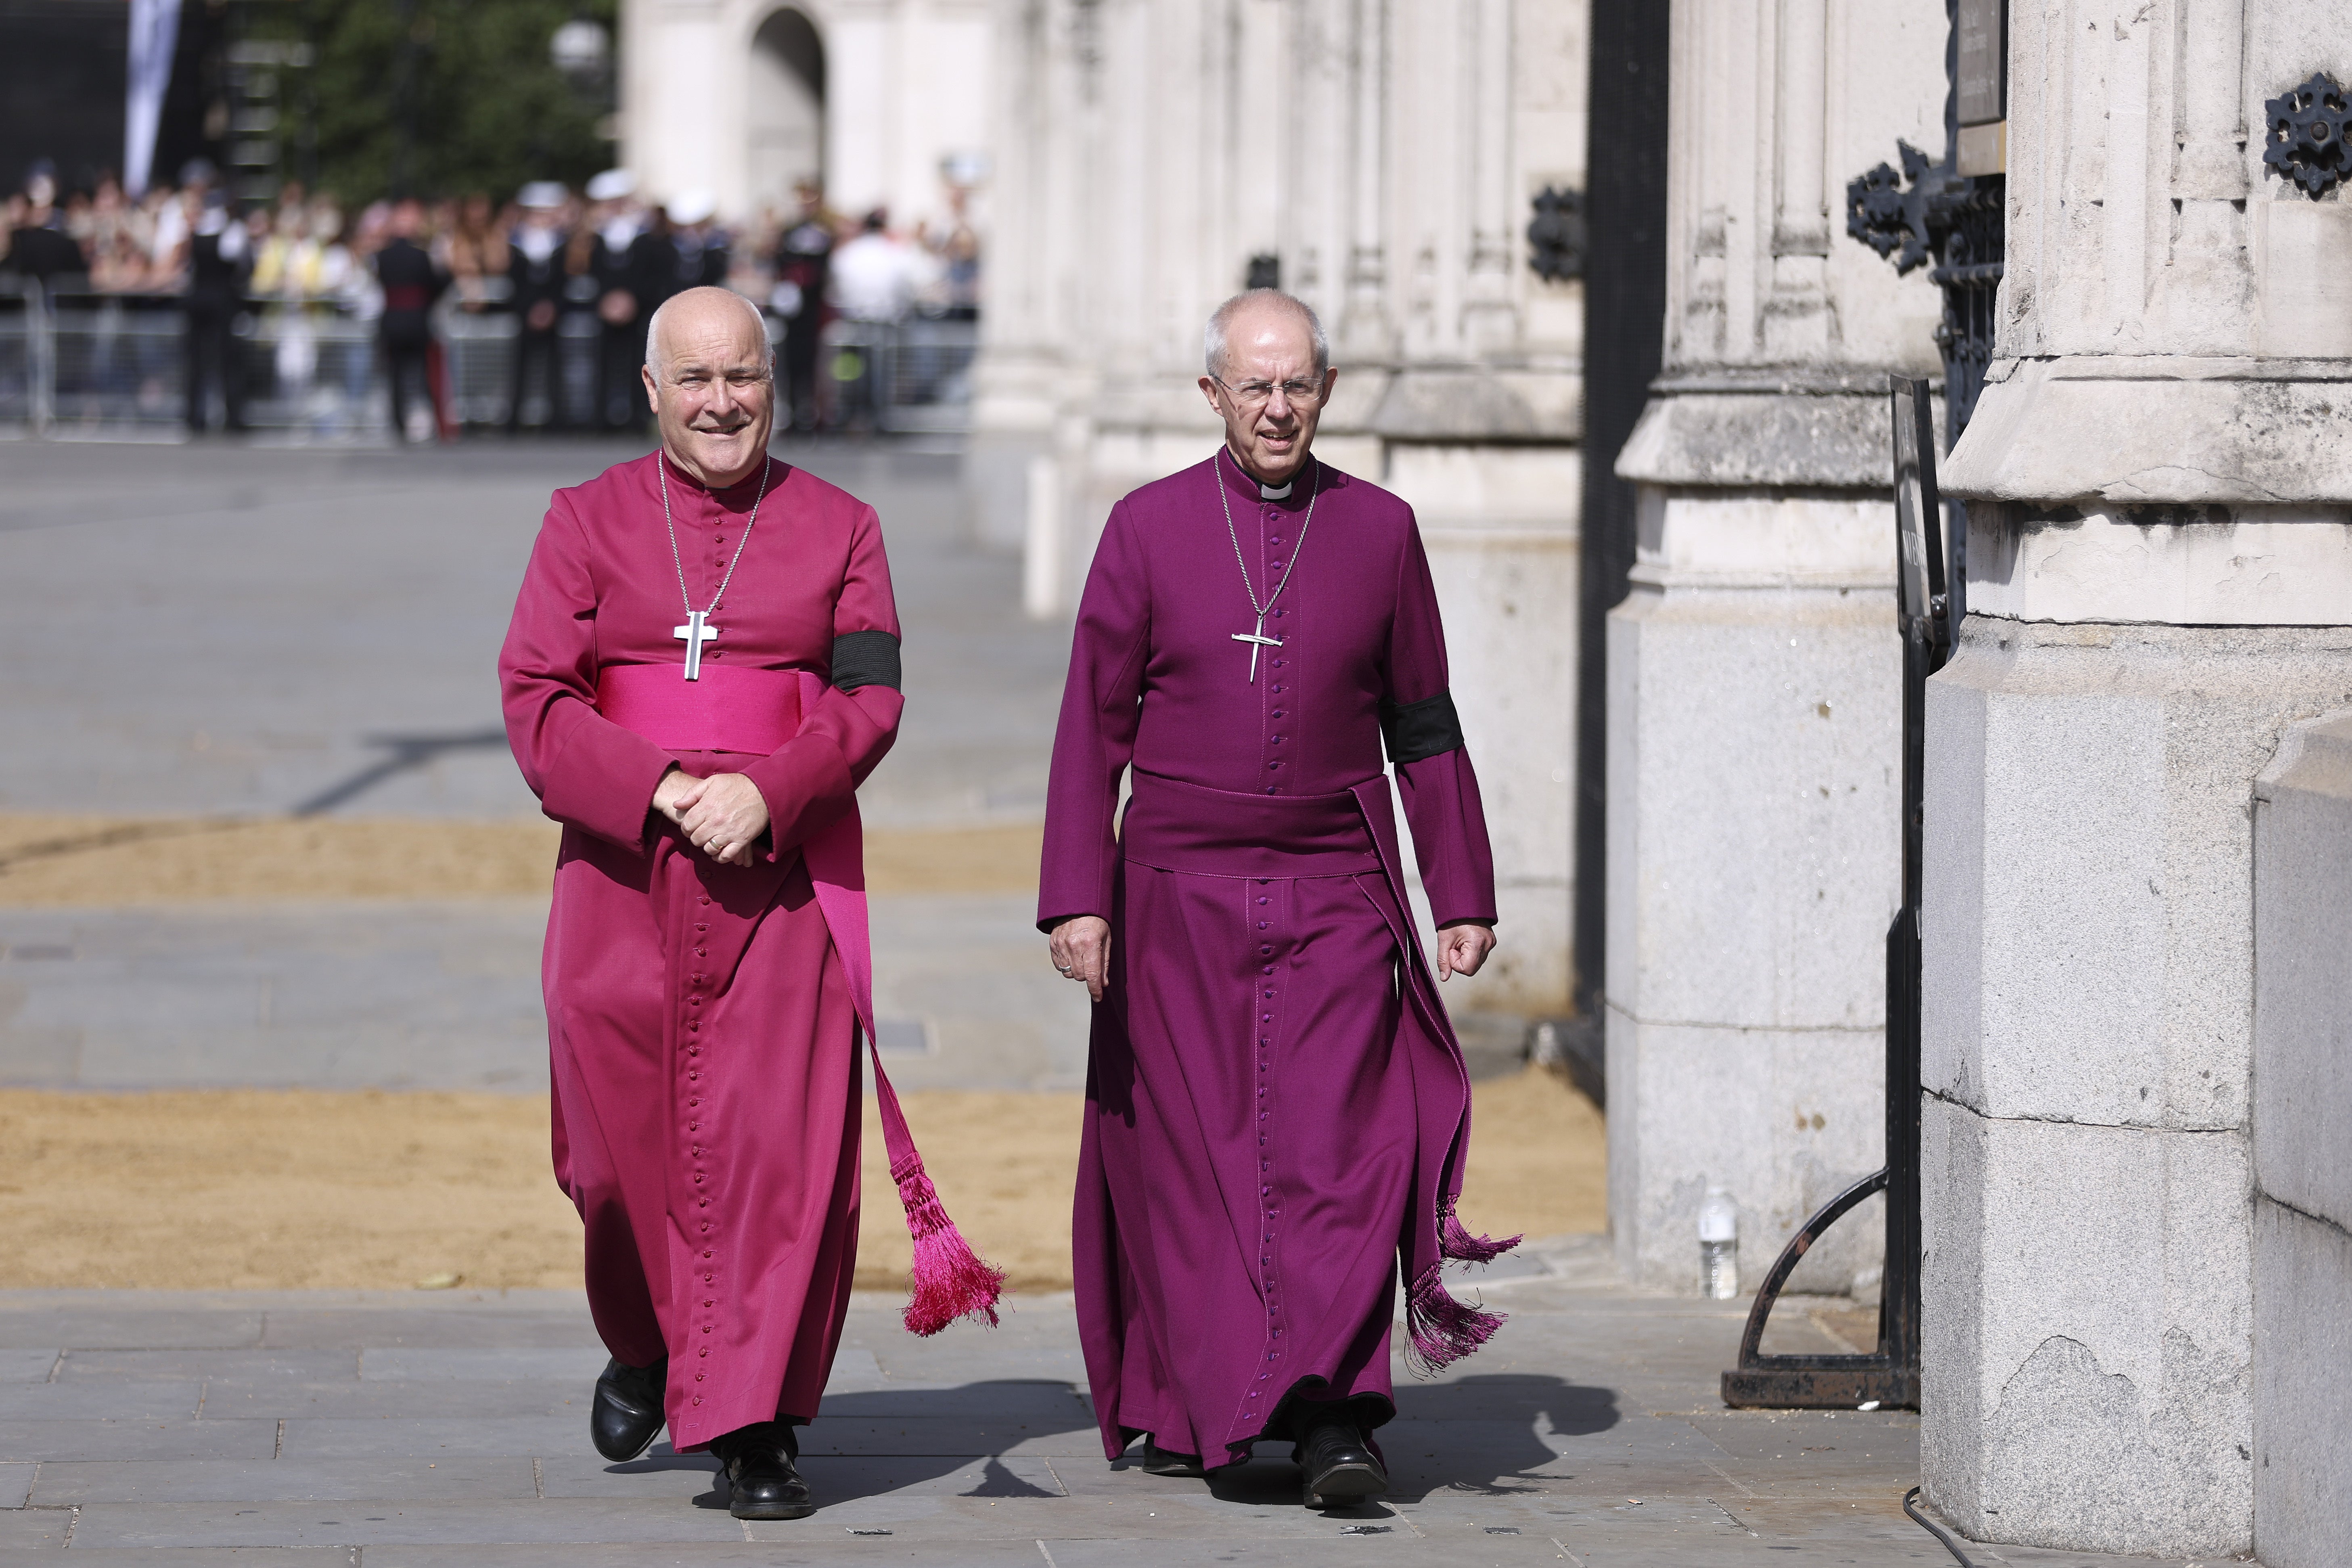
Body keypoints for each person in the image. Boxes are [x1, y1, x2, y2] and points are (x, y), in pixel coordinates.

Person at [498, 285, 1000, 1523]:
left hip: (783, 877)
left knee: (778, 1160)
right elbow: (535, 695)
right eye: (697, 380)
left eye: (746, 378)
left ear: (775, 384)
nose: (723, 403)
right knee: (610, 1163)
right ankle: (646, 1335)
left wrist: (770, 793)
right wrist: (662, 787)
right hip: (622, 872)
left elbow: (870, 695)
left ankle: (757, 1423)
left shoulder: (843, 525)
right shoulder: (582, 518)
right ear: (652, 391)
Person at [1038, 289, 1513, 1509]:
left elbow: (1422, 718)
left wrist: (1456, 883)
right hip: (1176, 893)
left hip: (1336, 887)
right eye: (1253, 386)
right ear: (1211, 396)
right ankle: (1219, 1392)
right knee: (1196, 1166)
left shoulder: (1381, 530)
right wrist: (1074, 899)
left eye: (1296, 383)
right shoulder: (1144, 528)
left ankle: (1330, 1413)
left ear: (1328, 388)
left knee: (1347, 1153)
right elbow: (1090, 727)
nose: (1276, 406)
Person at [375, 199, 443, 442]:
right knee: (422, 374)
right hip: (416, 320)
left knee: (396, 376)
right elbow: (434, 285)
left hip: (392, 320)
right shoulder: (421, 256)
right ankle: (433, 422)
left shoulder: (382, 256)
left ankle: (398, 423)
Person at [506, 182, 570, 431]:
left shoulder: (561, 243)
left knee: (555, 366)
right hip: (526, 313)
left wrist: (551, 308)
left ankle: (557, 418)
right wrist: (529, 309)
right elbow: (516, 282)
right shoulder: (516, 241)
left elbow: (563, 281)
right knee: (521, 366)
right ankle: (515, 418)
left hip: (552, 312)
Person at [770, 182, 832, 432]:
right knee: (791, 361)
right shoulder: (789, 232)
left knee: (813, 362)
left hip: (813, 308)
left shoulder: (823, 232)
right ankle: (794, 411)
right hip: (792, 308)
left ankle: (812, 412)